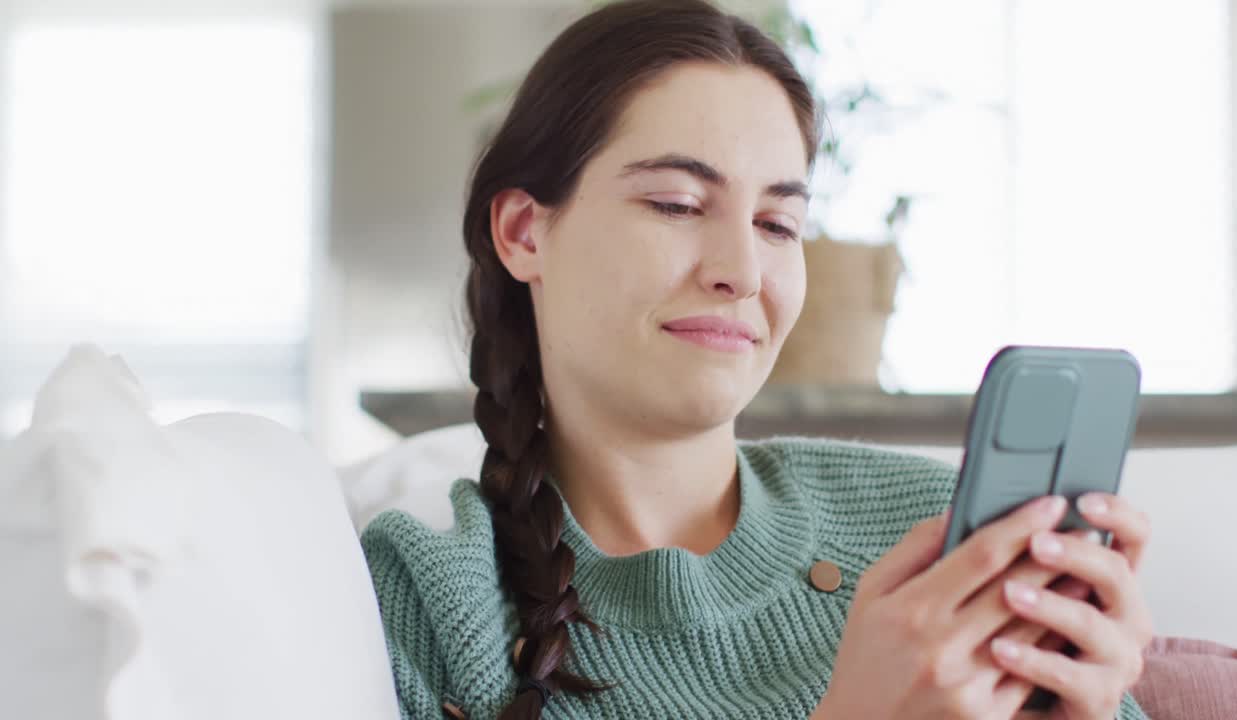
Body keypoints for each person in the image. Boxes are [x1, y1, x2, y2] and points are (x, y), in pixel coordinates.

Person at [359, 1, 1153, 718]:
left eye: (777, 224)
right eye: (676, 205)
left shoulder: (931, 539)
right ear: (524, 233)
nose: (741, 271)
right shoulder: (427, 597)